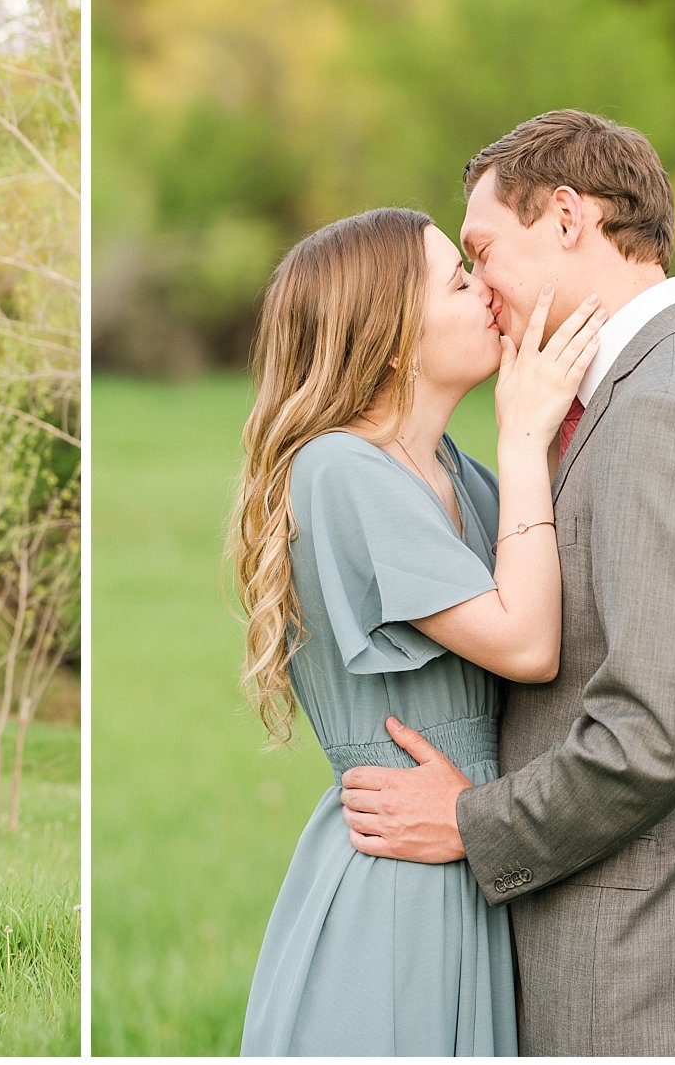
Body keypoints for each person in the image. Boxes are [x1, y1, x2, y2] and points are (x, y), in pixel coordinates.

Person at [337, 110, 675, 1056]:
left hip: (647, 981)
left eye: (482, 251)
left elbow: (652, 735)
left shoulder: (661, 414)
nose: (480, 291)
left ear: (567, 218)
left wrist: (471, 823)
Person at [230, 205, 605, 1055]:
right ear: (394, 337)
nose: (486, 293)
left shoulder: (455, 475)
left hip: (471, 855)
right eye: (457, 280)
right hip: (397, 883)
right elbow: (526, 643)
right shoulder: (336, 472)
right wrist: (524, 437)